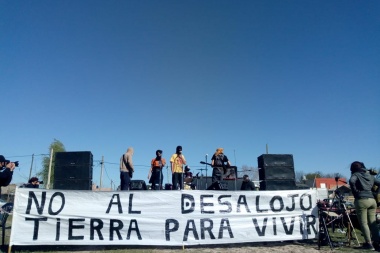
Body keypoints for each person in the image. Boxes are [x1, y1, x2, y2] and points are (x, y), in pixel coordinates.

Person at [349, 161, 380, 250]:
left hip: (362, 200)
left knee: (363, 223)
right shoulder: (370, 175)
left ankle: (368, 244)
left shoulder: (356, 174)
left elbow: (351, 181)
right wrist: (376, 193)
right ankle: (377, 242)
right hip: (372, 200)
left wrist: (356, 192)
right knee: (373, 223)